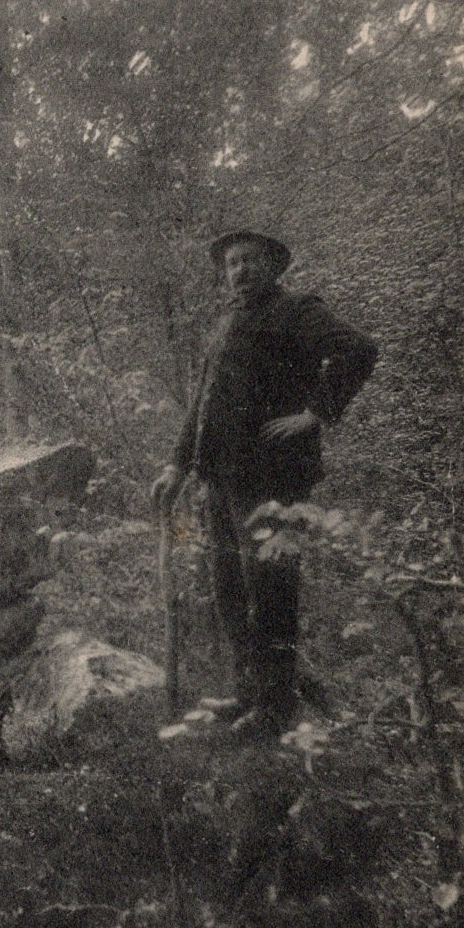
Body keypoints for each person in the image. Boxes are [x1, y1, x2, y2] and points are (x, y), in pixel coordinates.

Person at [151, 230, 377, 734]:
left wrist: (316, 413)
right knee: (230, 590)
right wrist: (177, 466)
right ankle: (247, 694)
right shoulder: (228, 321)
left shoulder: (296, 310)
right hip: (221, 478)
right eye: (232, 262)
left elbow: (359, 348)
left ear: (274, 266)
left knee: (270, 590)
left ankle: (275, 709)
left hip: (273, 479)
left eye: (251, 260)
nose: (240, 270)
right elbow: (205, 403)